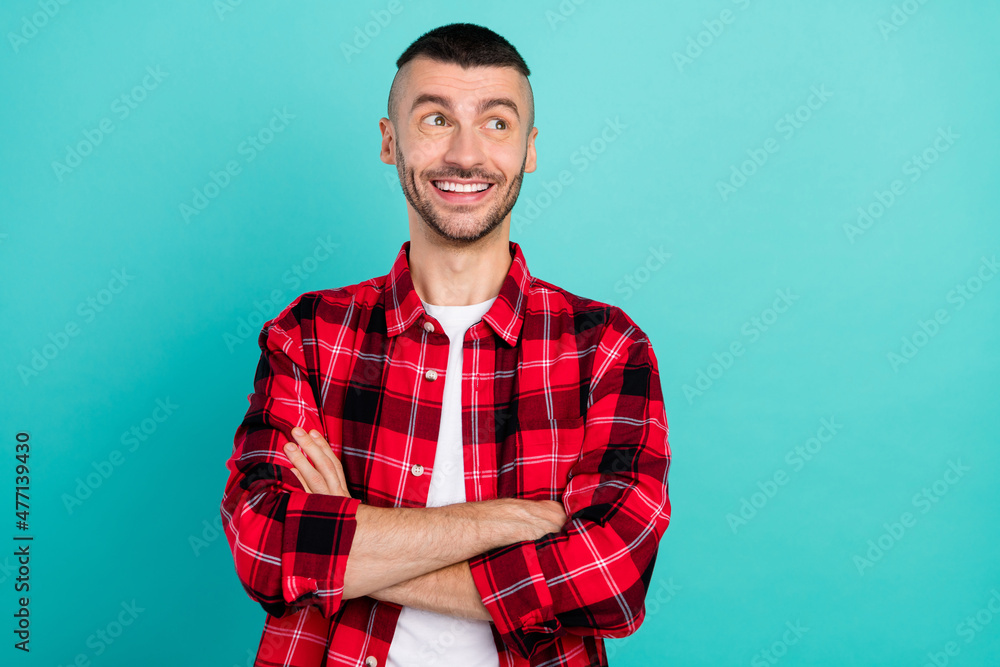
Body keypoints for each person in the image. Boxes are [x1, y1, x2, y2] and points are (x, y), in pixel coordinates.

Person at [220, 22, 671, 667]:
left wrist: (345, 540)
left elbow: (611, 579)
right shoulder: (309, 334)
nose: (466, 154)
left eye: (496, 123)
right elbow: (263, 548)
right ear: (389, 141)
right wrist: (511, 521)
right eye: (435, 119)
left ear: (529, 149)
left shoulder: (605, 347)